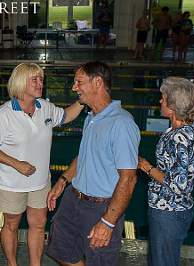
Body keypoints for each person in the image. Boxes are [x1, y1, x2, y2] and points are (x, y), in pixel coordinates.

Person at [0, 63, 84, 266]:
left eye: (41, 79)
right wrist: (16, 164)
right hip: (11, 183)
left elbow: (66, 115)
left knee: (38, 225)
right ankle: (12, 263)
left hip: (40, 182)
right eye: (34, 79)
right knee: (11, 225)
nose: (40, 83)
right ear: (20, 82)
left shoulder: (44, 107)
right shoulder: (4, 114)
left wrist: (83, 99)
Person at [46, 61, 140, 266]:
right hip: (73, 199)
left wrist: (107, 222)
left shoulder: (121, 123)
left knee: (100, 261)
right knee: (60, 251)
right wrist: (63, 181)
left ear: (97, 82)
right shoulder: (92, 117)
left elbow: (129, 179)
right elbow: (84, 156)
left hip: (101, 207)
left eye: (79, 82)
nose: (74, 88)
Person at [138, 77, 194, 266]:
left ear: (174, 105)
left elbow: (178, 184)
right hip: (179, 209)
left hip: (168, 212)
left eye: (164, 97)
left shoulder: (179, 138)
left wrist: (146, 167)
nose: (160, 101)